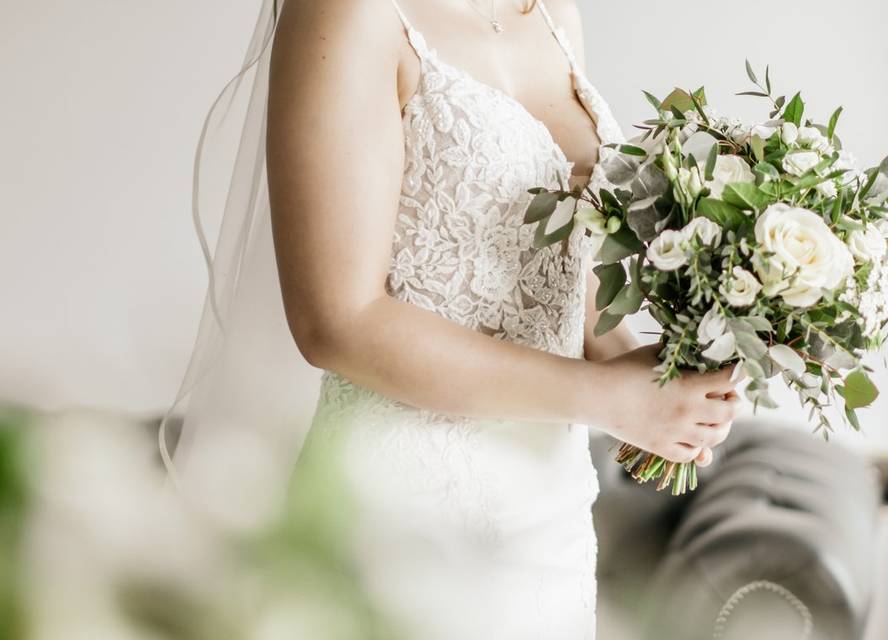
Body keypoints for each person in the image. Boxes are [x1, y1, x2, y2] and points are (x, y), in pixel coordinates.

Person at [171, 1, 741, 637]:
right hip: (398, 520)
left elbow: (553, 275)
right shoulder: (350, 11)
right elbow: (337, 321)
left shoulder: (552, 13)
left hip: (549, 525)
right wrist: (609, 398)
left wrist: (655, 381)